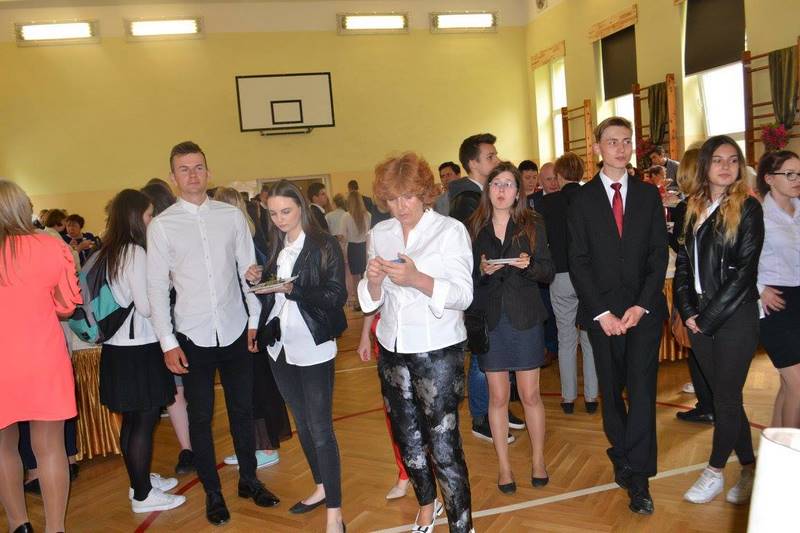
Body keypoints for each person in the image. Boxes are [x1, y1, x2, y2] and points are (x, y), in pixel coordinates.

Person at [147, 141, 279, 526]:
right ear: (173, 177)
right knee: (201, 417)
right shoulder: (162, 226)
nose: (193, 175)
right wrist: (167, 342)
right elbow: (156, 288)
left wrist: (254, 320)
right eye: (184, 169)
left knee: (243, 410)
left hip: (236, 329)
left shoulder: (231, 217)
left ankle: (249, 479)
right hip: (192, 336)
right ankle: (213, 492)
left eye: (198, 167)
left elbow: (248, 271)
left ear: (208, 172)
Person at [359, 152, 475, 533]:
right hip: (393, 348)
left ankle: (462, 524)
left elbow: (464, 295)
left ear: (424, 192)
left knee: (443, 444)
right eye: (392, 199)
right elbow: (370, 301)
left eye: (407, 196)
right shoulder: (380, 234)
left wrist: (417, 279)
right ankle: (427, 505)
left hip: (438, 349)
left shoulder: (450, 231)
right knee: (407, 438)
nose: (400, 206)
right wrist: (373, 281)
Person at [568, 117, 668, 515]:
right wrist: (601, 312)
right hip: (604, 315)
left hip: (643, 312)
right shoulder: (582, 199)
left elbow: (658, 253)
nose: (621, 148)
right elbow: (578, 261)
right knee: (611, 393)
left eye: (626, 141)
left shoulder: (647, 194)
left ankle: (639, 477)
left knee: (642, 392)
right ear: (597, 148)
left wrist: (642, 305)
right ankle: (622, 452)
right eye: (612, 142)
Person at [249, 179, 347, 533]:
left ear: (301, 207)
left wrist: (295, 289)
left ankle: (335, 513)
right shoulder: (277, 243)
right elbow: (272, 295)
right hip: (279, 346)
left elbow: (336, 295)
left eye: (286, 211)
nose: (279, 219)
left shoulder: (322, 243)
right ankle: (321, 486)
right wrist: (259, 278)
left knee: (321, 429)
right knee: (303, 423)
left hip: (313, 344)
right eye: (273, 213)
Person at [674, 135, 764, 505]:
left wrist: (706, 319)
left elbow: (744, 273)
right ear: (705, 166)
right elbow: (683, 265)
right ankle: (750, 467)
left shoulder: (748, 208)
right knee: (726, 398)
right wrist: (688, 312)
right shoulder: (692, 207)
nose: (726, 167)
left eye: (732, 160)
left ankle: (713, 472)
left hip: (734, 317)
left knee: (725, 398)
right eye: (717, 160)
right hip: (700, 319)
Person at [0, 180, 82, 533]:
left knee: (3, 447)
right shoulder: (49, 246)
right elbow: (67, 307)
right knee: (49, 447)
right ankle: (55, 528)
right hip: (43, 356)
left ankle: (19, 525)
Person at [468, 162, 554, 494]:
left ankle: (538, 460)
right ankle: (504, 467)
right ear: (488, 190)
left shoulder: (533, 223)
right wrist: (482, 271)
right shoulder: (475, 226)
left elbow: (548, 271)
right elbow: (467, 278)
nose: (502, 190)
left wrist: (528, 265)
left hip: (525, 317)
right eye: (496, 184)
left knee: (530, 394)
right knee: (498, 396)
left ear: (518, 192)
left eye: (508, 184)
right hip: (492, 319)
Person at [97, 189, 185, 513]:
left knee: (133, 421)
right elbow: (148, 306)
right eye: (149, 215)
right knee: (144, 420)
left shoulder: (113, 249)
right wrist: (169, 282)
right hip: (137, 349)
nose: (153, 220)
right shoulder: (134, 252)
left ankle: (140, 482)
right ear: (136, 217)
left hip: (120, 350)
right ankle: (143, 495)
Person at [214, 187, 291, 470]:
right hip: (243, 319)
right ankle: (252, 445)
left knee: (258, 386)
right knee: (247, 387)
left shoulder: (248, 239)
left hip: (253, 321)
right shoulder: (247, 235)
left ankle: (266, 446)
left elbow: (262, 280)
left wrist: (255, 320)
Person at [450, 133, 520, 444]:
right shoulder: (467, 200)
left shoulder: (484, 195)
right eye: (490, 157)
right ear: (473, 164)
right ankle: (481, 416)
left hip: (495, 287)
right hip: (478, 288)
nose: (497, 159)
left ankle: (499, 407)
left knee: (500, 351)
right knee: (482, 354)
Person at [140, 181, 196, 474]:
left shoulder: (168, 230)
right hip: (172, 322)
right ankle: (189, 448)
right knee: (178, 389)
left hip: (181, 319)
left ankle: (190, 447)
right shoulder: (153, 236)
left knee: (181, 389)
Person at [539, 152, 598, 414]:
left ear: (560, 175)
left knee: (565, 338)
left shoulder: (547, 204)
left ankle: (568, 397)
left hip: (560, 275)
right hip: (589, 277)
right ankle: (592, 397)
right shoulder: (593, 198)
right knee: (589, 338)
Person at [668, 148, 715, 425]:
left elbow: (681, 248)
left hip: (694, 292)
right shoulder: (717, 204)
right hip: (714, 291)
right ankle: (713, 404)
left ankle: (708, 405)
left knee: (697, 353)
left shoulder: (687, 207)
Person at [755, 150, 800, 427]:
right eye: (790, 174)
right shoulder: (758, 215)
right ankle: (791, 451)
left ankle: (774, 445)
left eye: (799, 174)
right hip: (774, 301)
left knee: (788, 384)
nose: (797, 179)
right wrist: (760, 288)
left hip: (798, 297)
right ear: (769, 178)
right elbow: (737, 261)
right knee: (797, 384)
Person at [357, 313, 410, 500]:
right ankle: (404, 473)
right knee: (395, 416)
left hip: (423, 337)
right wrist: (365, 334)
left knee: (428, 415)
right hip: (387, 341)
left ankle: (431, 476)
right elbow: (372, 300)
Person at [343, 190, 371, 309]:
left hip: (353, 248)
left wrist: (344, 253)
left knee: (355, 278)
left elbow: (343, 237)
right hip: (364, 247)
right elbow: (369, 234)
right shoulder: (368, 215)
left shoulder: (346, 216)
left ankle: (359, 303)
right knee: (366, 276)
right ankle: (368, 301)